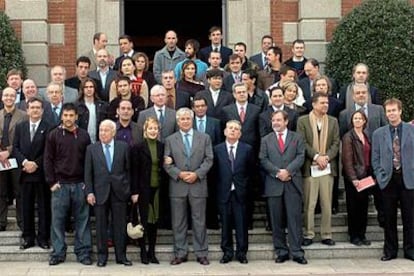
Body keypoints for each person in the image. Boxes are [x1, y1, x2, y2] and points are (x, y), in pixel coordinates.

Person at [164, 107, 213, 266]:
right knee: (178, 222)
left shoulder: (204, 138)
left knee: (199, 221)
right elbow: (166, 162)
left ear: (192, 120)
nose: (185, 121)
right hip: (178, 185)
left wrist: (197, 174)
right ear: (177, 121)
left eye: (187, 118)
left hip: (197, 184)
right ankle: (180, 252)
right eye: (182, 119)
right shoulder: (170, 139)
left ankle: (201, 253)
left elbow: (209, 159)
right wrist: (179, 173)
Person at [44, 103, 92, 266]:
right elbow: (48, 160)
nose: (68, 118)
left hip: (80, 185)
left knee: (83, 221)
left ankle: (83, 252)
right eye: (65, 115)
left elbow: (88, 161)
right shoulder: (53, 135)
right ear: (61, 116)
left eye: (71, 115)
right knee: (57, 221)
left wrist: (87, 183)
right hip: (60, 185)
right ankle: (58, 253)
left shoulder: (84, 136)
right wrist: (51, 182)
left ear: (76, 117)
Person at [259, 110, 307, 264]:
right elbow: (263, 158)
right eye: (273, 120)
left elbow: (301, 156)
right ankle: (281, 251)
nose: (276, 123)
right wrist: (277, 172)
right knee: (276, 220)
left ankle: (297, 252)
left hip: (292, 183)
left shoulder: (297, 137)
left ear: (286, 121)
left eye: (279, 120)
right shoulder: (266, 139)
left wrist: (288, 171)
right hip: (274, 183)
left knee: (294, 219)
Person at [85, 119, 132, 267]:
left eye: (106, 130)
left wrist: (128, 189)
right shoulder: (92, 149)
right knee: (100, 226)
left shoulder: (123, 147)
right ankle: (102, 256)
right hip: (99, 192)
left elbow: (128, 170)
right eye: (100, 130)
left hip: (119, 192)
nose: (102, 133)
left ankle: (121, 256)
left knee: (119, 225)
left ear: (113, 132)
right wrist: (89, 192)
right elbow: (88, 174)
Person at [372, 98, 414, 262]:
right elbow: (375, 157)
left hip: (408, 179)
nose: (391, 114)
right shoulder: (378, 133)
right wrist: (380, 175)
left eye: (394, 110)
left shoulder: (411, 130)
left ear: (400, 111)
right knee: (389, 218)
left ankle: (410, 250)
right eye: (388, 111)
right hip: (387, 180)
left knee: (409, 218)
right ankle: (390, 250)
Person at [297, 92, 340, 247]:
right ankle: (309, 233)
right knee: (310, 203)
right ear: (314, 104)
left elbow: (336, 142)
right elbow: (302, 142)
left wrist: (326, 157)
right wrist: (316, 156)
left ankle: (326, 234)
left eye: (326, 103)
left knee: (326, 203)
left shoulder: (333, 121)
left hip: (327, 168)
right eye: (322, 103)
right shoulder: (303, 121)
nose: (325, 105)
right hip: (310, 168)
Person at [13, 97, 51, 250]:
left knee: (43, 207)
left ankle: (43, 238)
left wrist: (36, 163)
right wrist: (25, 162)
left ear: (42, 110)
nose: (35, 110)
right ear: (27, 110)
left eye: (38, 108)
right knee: (26, 207)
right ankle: (28, 238)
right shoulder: (20, 126)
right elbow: (15, 148)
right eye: (32, 107)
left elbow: (49, 150)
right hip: (24, 172)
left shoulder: (49, 127)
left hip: (40, 173)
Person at [214, 120, 253, 264]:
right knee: (225, 224)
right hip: (223, 192)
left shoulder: (247, 149)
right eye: (230, 128)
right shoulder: (217, 149)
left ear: (240, 133)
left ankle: (242, 253)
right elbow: (214, 173)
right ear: (225, 131)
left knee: (241, 224)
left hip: (240, 193)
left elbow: (250, 171)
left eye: (236, 129)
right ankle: (227, 252)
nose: (233, 131)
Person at [131, 117, 167, 264]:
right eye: (150, 129)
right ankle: (142, 252)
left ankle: (152, 252)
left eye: (155, 129)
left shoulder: (162, 146)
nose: (153, 131)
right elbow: (134, 172)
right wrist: (134, 192)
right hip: (142, 189)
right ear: (145, 131)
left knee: (154, 223)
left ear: (158, 131)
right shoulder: (138, 147)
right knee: (143, 222)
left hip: (157, 189)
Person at [341, 110, 373, 246]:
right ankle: (354, 235)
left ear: (364, 121)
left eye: (360, 118)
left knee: (363, 207)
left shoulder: (366, 136)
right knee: (353, 207)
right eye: (355, 118)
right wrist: (353, 178)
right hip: (354, 178)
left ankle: (362, 234)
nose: (358, 120)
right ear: (352, 121)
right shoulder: (348, 137)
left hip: (366, 176)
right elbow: (347, 159)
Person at [0, 87, 27, 231]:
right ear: (2, 98)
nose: (9, 98)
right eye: (6, 95)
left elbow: (23, 138)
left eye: (12, 95)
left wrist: (8, 151)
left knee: (19, 191)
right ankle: (1, 222)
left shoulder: (23, 116)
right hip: (0, 161)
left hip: (16, 158)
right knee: (1, 191)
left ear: (15, 97)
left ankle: (22, 222)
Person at [76, 78, 109, 143]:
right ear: (82, 89)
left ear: (94, 89)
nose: (89, 89)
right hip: (81, 141)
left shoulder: (103, 105)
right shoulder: (76, 106)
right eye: (86, 87)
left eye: (91, 87)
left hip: (99, 140)